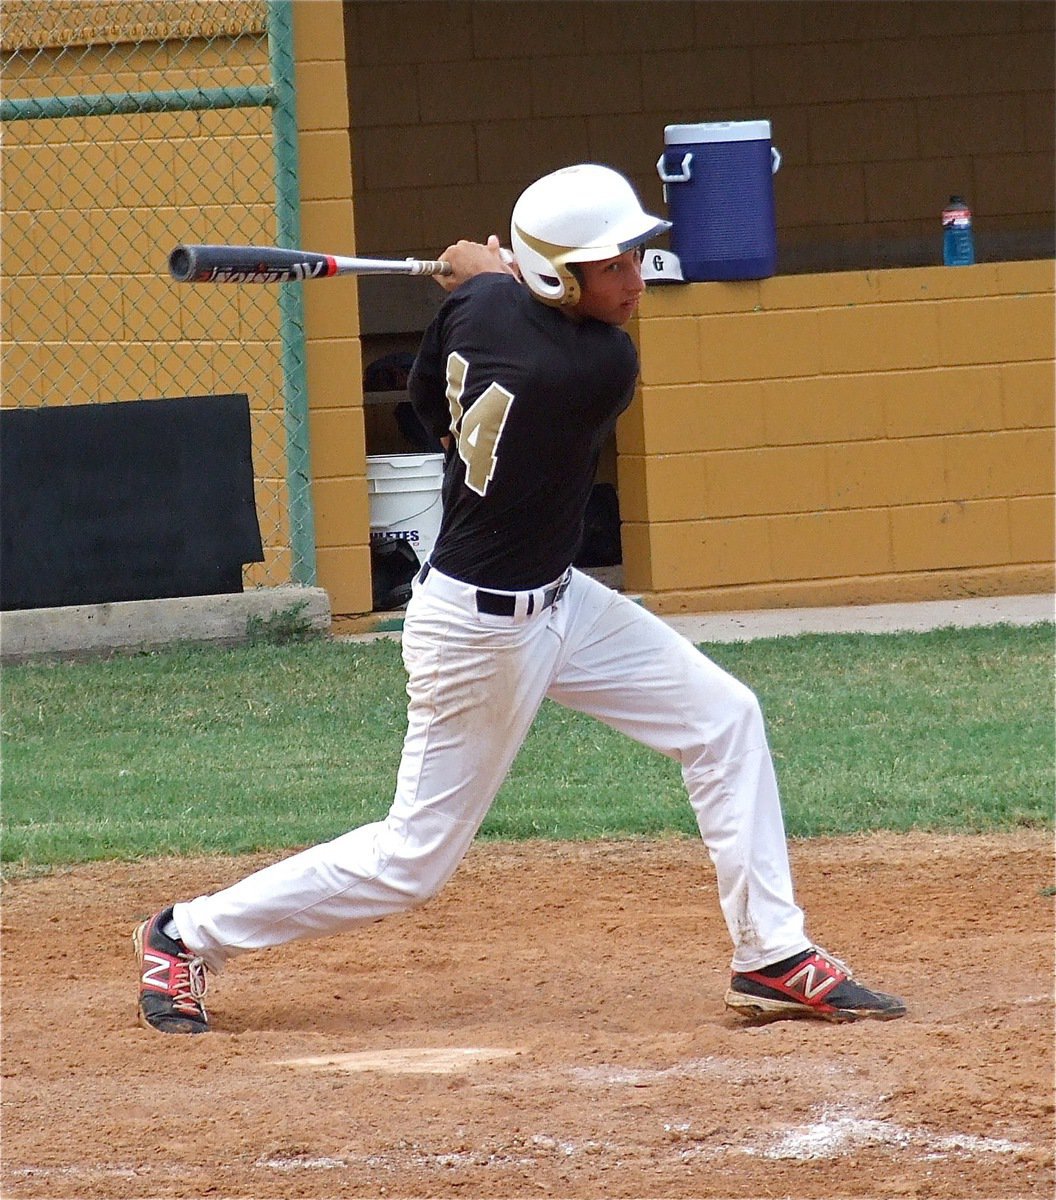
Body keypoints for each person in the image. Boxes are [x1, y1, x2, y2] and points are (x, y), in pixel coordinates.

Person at [134, 164, 906, 1034]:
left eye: (632, 257)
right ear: (555, 278)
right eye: (610, 267)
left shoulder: (477, 313)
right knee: (411, 862)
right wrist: (492, 278)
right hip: (477, 633)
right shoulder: (598, 365)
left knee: (725, 719)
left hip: (565, 603)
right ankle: (184, 935)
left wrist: (487, 282)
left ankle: (772, 955)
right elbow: (514, 332)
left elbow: (428, 401)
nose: (634, 280)